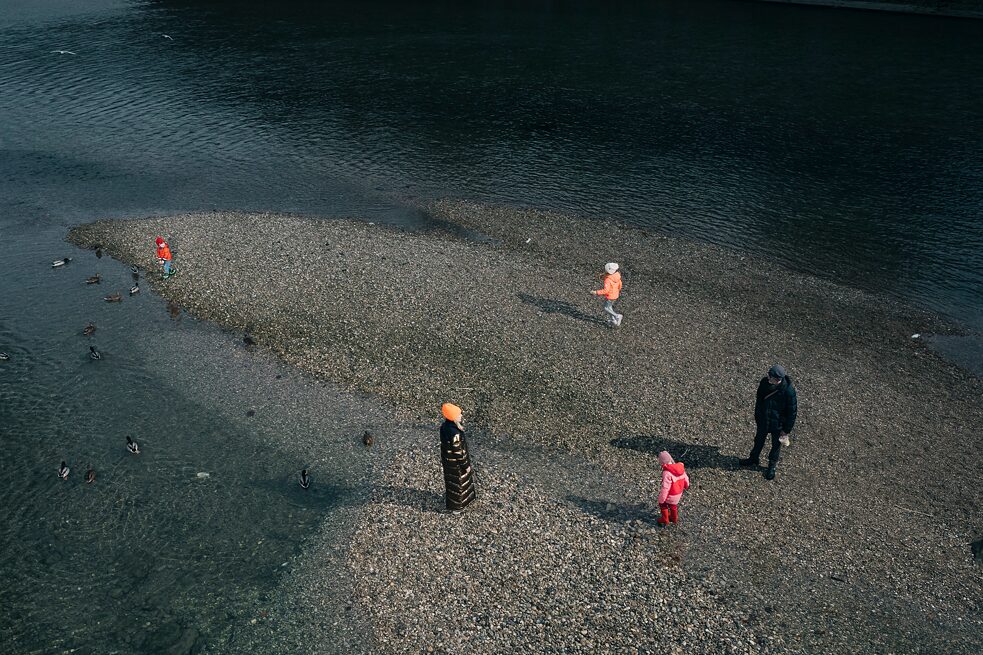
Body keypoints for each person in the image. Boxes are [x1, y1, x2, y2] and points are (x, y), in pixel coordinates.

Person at [740, 364, 798, 480]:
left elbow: (792, 412)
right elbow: (759, 400)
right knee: (758, 441)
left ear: (777, 379)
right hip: (764, 421)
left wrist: (786, 430)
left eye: (770, 377)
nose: (768, 378)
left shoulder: (789, 391)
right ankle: (753, 458)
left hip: (778, 425)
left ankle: (772, 466)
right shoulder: (764, 383)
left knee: (775, 447)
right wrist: (758, 416)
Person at [439, 403, 476, 514]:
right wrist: (466, 465)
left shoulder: (444, 427)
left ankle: (455, 504)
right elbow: (459, 453)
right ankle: (457, 507)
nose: (461, 416)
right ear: (453, 416)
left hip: (448, 461)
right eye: (459, 414)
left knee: (452, 483)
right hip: (456, 464)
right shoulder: (455, 433)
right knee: (459, 484)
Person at [656, 450, 690, 526]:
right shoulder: (680, 468)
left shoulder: (667, 473)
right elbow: (686, 479)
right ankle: (674, 518)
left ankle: (665, 519)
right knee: (673, 505)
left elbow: (665, 488)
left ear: (662, 462)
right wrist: (686, 485)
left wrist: (662, 498)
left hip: (671, 494)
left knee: (663, 504)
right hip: (678, 493)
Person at [590, 262, 623, 327]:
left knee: (606, 308)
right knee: (609, 307)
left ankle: (617, 316)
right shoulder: (617, 276)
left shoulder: (608, 280)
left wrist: (596, 292)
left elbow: (606, 290)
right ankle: (613, 321)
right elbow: (620, 285)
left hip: (610, 297)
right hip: (615, 295)